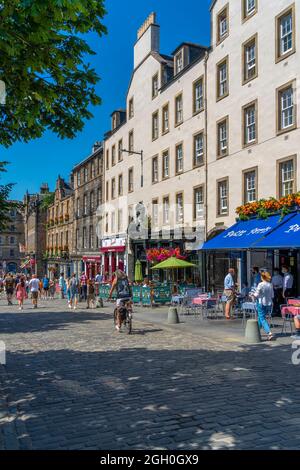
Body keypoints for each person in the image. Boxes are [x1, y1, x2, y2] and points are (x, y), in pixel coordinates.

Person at [251, 271, 274, 341]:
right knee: (261, 318)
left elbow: (256, 294)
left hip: (261, 303)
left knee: (262, 318)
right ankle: (256, 331)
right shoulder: (270, 284)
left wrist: (252, 295)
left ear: (262, 277)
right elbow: (272, 295)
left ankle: (269, 332)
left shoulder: (260, 284)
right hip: (269, 304)